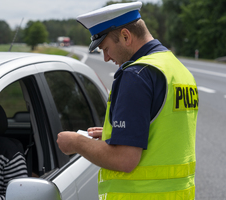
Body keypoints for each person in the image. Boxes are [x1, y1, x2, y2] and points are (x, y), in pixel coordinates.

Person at [57, 1, 199, 199]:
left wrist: (77, 143)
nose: (106, 58)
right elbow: (164, 133)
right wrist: (119, 133)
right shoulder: (177, 69)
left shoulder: (136, 75)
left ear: (126, 36)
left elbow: (125, 160)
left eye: (105, 48)